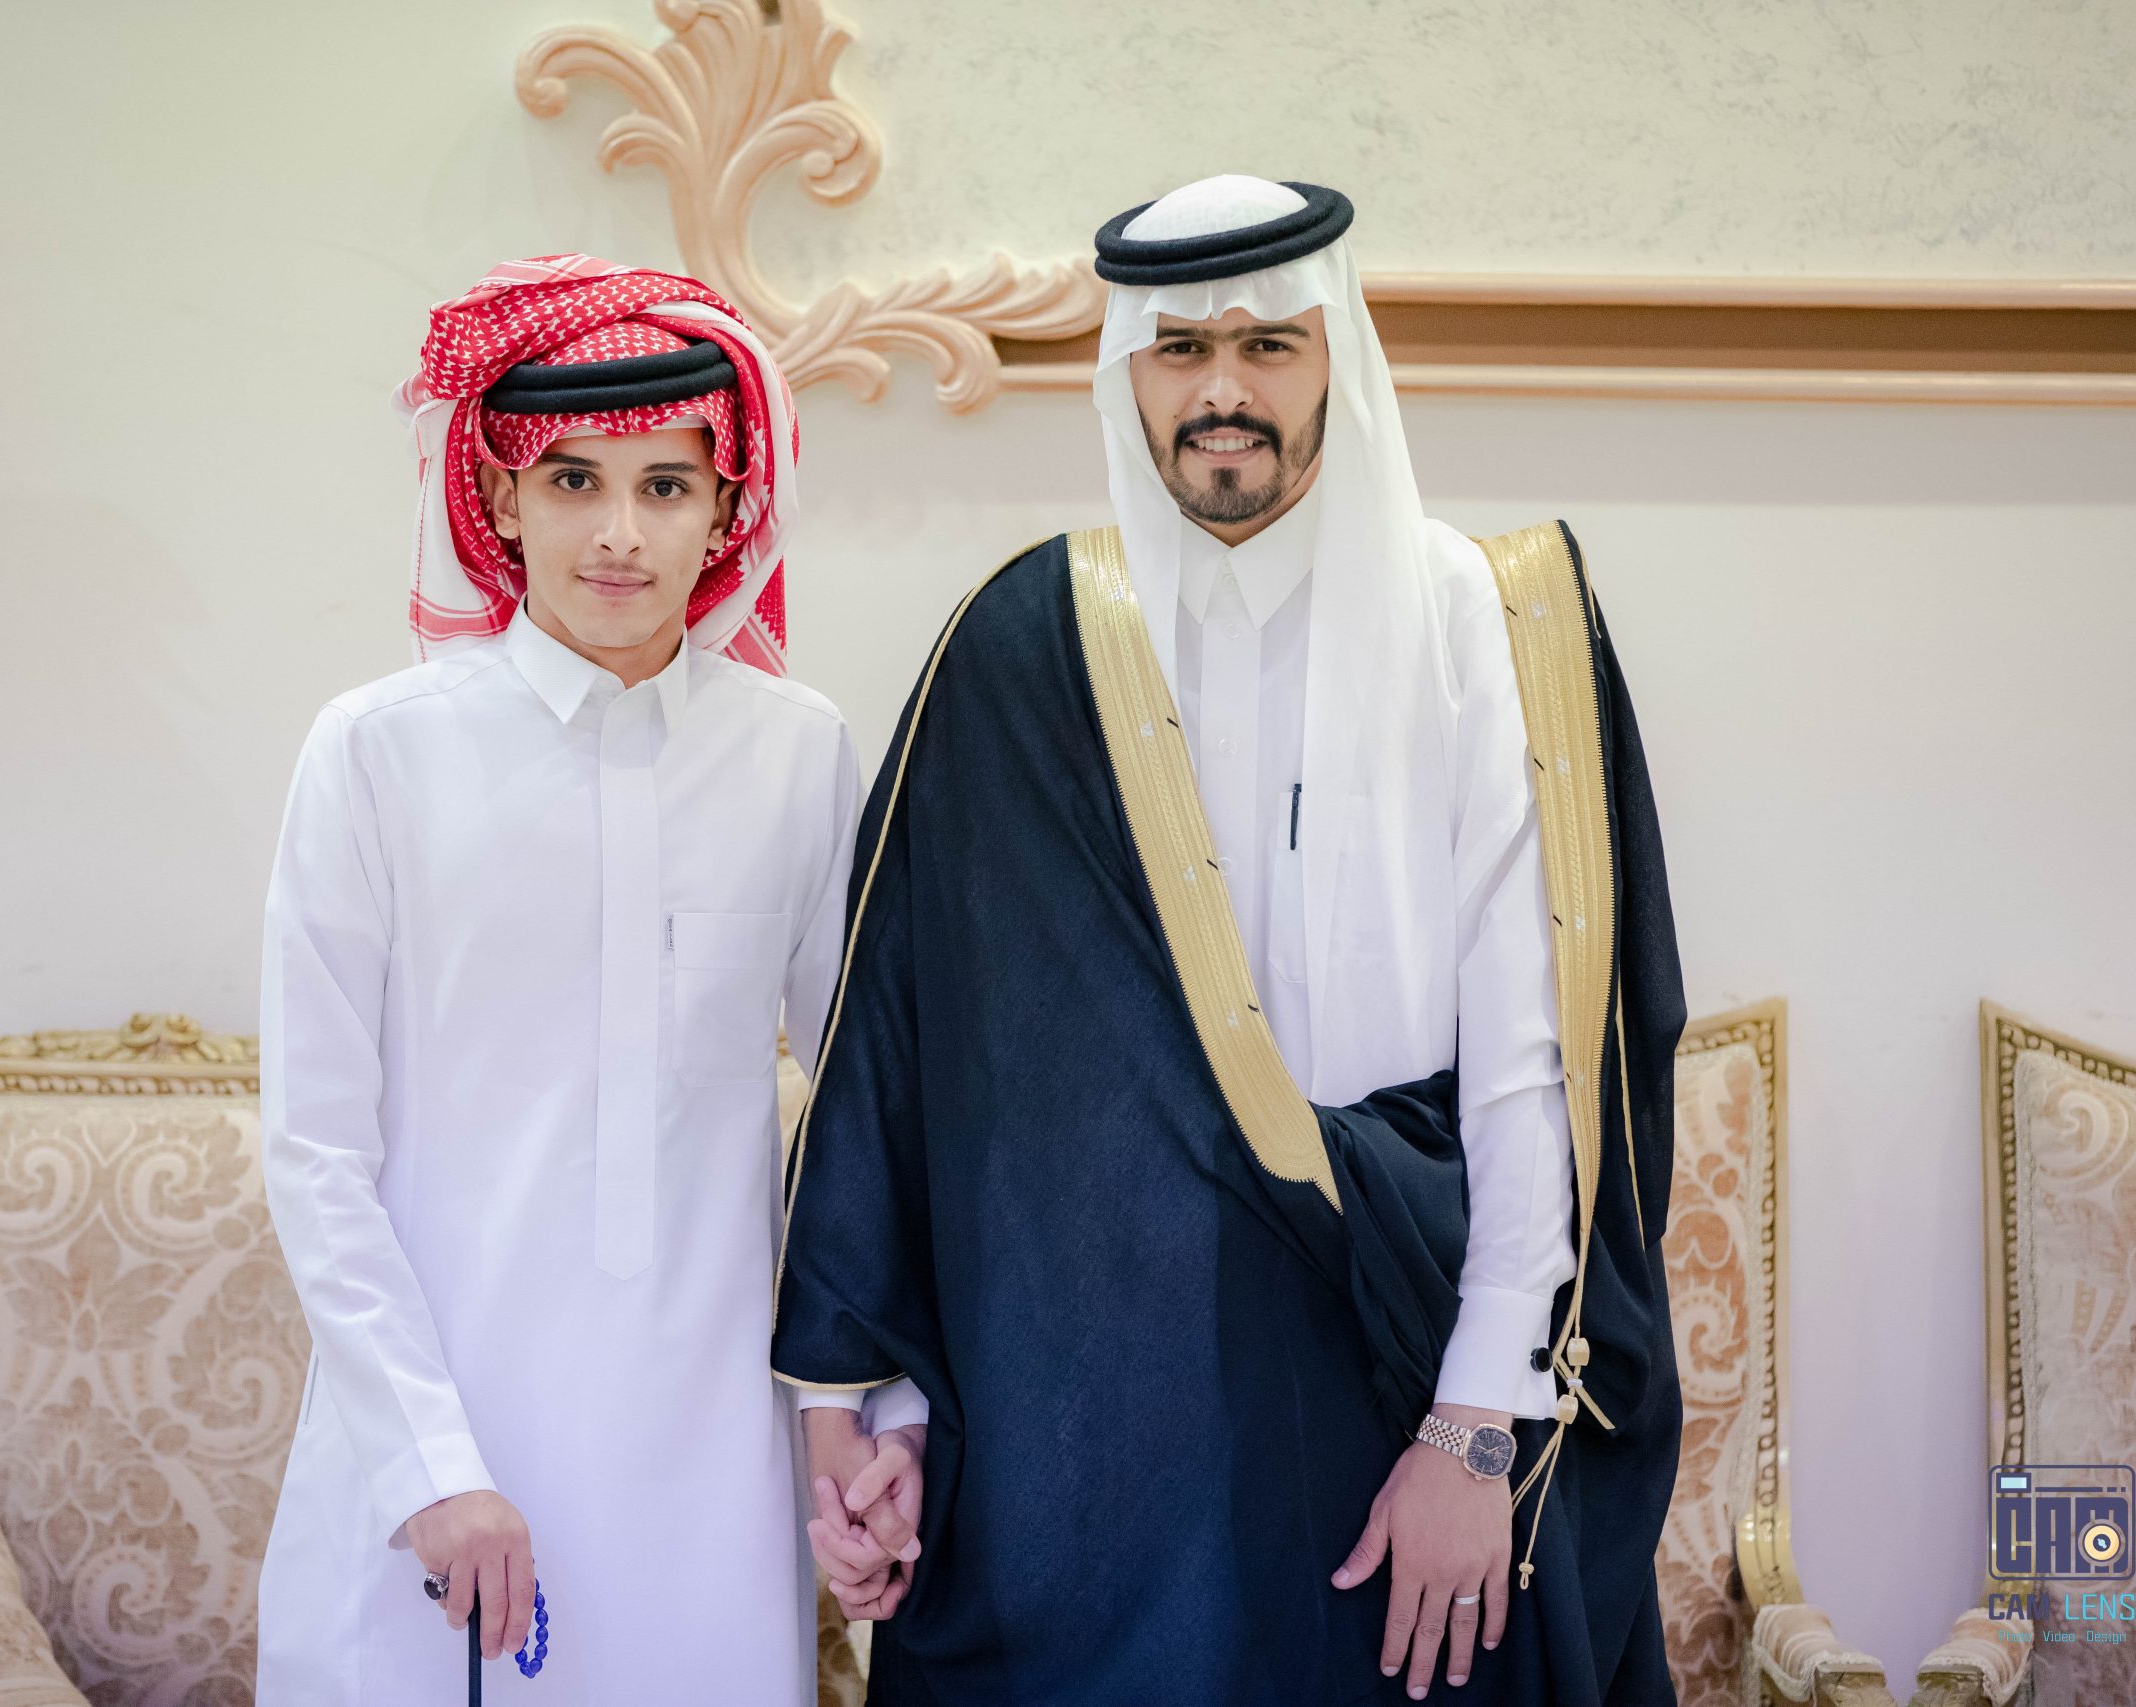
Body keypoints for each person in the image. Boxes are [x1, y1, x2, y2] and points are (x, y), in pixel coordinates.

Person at [773, 176, 1684, 1704]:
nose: (1223, 392)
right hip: (1107, 1408)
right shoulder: (1029, 644)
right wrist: (900, 1417)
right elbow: (928, 1081)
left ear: (1341, 357)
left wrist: (1477, 1429)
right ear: (1126, 370)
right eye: (1182, 348)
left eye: (1269, 345)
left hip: (1409, 1353)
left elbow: (1536, 1071)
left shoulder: (1481, 620)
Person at [258, 256, 856, 1704]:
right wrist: (429, 1466)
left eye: (667, 485)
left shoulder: (798, 751)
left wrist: (865, 1410)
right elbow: (317, 1153)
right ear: (500, 495)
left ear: (727, 507)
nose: (621, 533)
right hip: (440, 1456)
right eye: (575, 480)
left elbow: (864, 1119)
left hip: (710, 1467)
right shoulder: (377, 752)